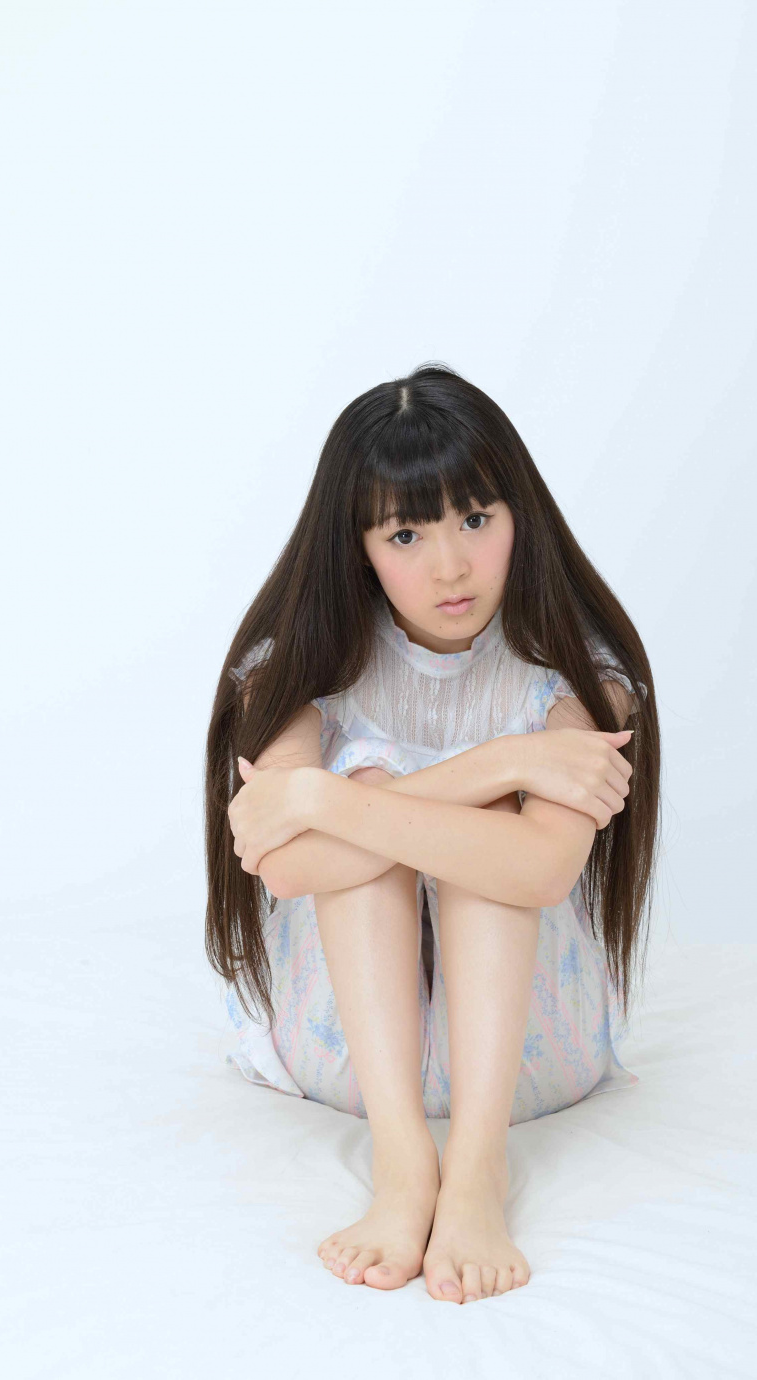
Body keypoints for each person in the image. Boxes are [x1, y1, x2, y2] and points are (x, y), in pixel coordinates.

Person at [204, 363, 660, 1305]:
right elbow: (287, 869)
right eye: (406, 534)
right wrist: (506, 763)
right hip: (349, 1054)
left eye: (476, 519)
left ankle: (478, 1168)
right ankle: (405, 1164)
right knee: (393, 797)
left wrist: (325, 799)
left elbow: (541, 870)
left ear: (521, 516)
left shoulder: (578, 672)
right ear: (358, 547)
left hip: (530, 1057)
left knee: (445, 821)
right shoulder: (303, 668)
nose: (450, 566)